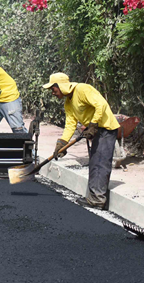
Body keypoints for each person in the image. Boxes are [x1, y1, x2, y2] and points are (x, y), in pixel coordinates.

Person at [43, 72, 120, 210]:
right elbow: (70, 125)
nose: (52, 93)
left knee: (100, 163)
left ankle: (97, 200)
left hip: (106, 128)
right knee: (94, 162)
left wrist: (93, 124)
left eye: (53, 89)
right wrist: (62, 143)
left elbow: (101, 105)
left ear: (61, 85)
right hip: (96, 130)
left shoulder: (83, 89)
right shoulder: (68, 103)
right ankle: (94, 197)